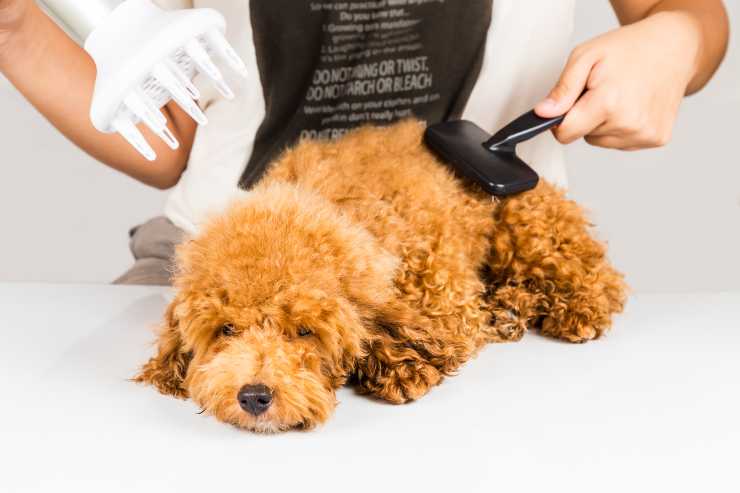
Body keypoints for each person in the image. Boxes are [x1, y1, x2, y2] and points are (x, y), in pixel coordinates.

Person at [0, 0, 729, 285]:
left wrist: (674, 40)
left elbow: (690, 15)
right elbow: (173, 139)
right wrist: (18, 29)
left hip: (489, 267)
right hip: (235, 262)